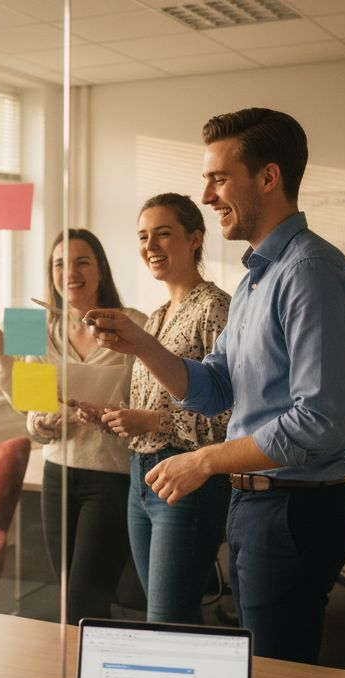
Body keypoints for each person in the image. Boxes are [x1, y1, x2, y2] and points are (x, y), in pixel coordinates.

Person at [86, 108, 345, 664]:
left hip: (293, 506)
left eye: (219, 178)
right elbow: (215, 385)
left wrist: (205, 460)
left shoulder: (308, 272)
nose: (208, 195)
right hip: (256, 502)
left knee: (276, 676)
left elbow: (318, 420)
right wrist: (142, 343)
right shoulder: (258, 277)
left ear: (268, 178)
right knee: (256, 670)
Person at [0, 230, 147, 624]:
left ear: (100, 268)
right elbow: (30, 406)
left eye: (82, 261)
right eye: (59, 264)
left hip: (111, 475)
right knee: (68, 593)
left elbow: (150, 400)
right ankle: (78, 675)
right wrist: (37, 420)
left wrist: (110, 416)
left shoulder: (133, 323)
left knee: (87, 597)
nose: (70, 272)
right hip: (57, 472)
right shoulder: (37, 327)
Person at [79, 193, 231, 625]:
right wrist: (114, 417)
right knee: (164, 618)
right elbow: (151, 402)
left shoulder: (215, 308)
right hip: (139, 479)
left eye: (163, 234)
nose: (151, 246)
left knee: (167, 620)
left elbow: (229, 415)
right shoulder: (157, 316)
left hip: (187, 480)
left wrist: (150, 420)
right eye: (144, 236)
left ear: (195, 240)